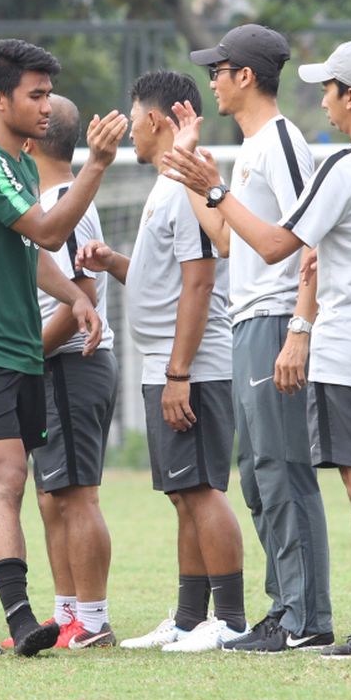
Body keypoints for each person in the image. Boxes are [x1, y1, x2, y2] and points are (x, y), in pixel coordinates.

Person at [168, 40, 351, 658]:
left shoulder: (340, 166)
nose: (322, 100)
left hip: (348, 344)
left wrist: (219, 195)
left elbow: (280, 247)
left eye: (328, 88)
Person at [0, 38, 123, 658]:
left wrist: (76, 296)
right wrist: (95, 164)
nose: (47, 107)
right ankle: (20, 620)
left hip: (17, 349)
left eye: (48, 94)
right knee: (9, 478)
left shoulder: (16, 162)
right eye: (35, 95)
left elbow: (31, 251)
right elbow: (49, 227)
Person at [178, 23, 334, 653]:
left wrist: (300, 328)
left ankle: (305, 618)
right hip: (248, 323)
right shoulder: (249, 150)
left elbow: (311, 236)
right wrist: (193, 172)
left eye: (218, 69)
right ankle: (284, 610)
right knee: (258, 476)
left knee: (284, 470)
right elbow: (225, 238)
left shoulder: (282, 141)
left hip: (275, 322)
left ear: (245, 76)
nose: (211, 80)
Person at [79, 71, 245, 653]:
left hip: (190, 366)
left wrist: (179, 373)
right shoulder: (164, 183)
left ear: (155, 120)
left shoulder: (185, 183)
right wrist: (114, 262)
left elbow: (199, 285)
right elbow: (165, 276)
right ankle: (188, 618)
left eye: (133, 115)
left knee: (201, 489)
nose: (129, 131)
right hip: (164, 361)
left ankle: (229, 619)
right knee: (183, 493)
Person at [18, 94, 118, 649]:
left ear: (30, 139)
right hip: (49, 365)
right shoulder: (45, 203)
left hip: (72, 363)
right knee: (51, 495)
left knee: (78, 494)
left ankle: (94, 619)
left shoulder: (66, 200)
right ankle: (66, 616)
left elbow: (83, 295)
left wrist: (27, 355)